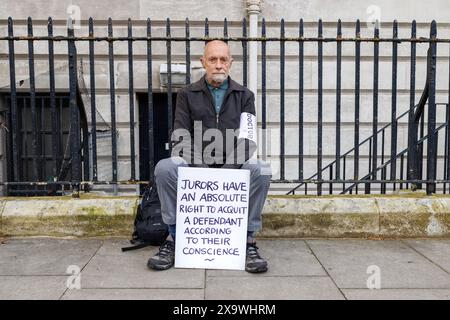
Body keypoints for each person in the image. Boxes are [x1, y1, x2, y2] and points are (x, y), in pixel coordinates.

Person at [147, 40, 272, 273]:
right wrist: (203, 172)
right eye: (212, 59)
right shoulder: (186, 94)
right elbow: (181, 135)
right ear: (202, 62)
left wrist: (225, 175)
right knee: (165, 168)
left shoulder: (245, 95)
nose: (218, 65)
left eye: (223, 59)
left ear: (231, 63)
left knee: (261, 169)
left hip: (233, 166)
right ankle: (174, 238)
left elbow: (248, 139)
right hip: (195, 163)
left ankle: (247, 240)